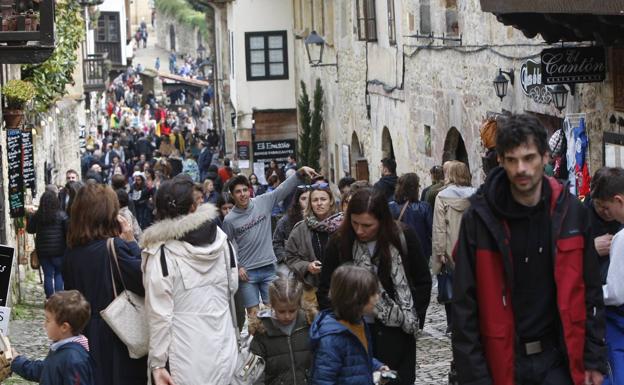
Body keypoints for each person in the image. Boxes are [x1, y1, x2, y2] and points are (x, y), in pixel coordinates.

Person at [452, 113, 606, 385]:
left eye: (529, 158)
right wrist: (474, 375)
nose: (521, 168)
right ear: (500, 160)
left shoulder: (571, 212)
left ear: (545, 157)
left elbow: (590, 290)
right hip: (503, 361)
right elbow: (465, 307)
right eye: (512, 160)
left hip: (558, 358)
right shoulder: (479, 219)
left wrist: (592, 358)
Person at [317, 188, 432, 385]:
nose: (360, 230)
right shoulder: (339, 242)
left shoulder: (403, 236)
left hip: (398, 335)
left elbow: (423, 281)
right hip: (354, 333)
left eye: (367, 225)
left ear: (382, 221)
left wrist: (412, 320)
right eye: (355, 223)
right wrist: (340, 326)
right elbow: (326, 289)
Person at [141, 176, 238, 385]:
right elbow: (233, 285)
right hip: (223, 343)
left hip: (185, 356)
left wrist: (157, 364)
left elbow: (159, 315)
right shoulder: (222, 240)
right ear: (194, 206)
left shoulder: (162, 254)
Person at [63, 183, 147, 385]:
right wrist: (131, 244)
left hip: (84, 337)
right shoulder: (114, 248)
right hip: (118, 336)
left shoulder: (71, 254)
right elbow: (146, 281)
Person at [222, 166, 317, 320]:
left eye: (245, 190)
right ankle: (257, 344)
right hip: (248, 274)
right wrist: (237, 267)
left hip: (268, 268)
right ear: (232, 195)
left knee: (274, 313)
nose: (243, 194)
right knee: (254, 317)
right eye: (238, 192)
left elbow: (282, 189)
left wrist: (300, 173)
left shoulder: (263, 202)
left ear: (250, 190)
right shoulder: (230, 220)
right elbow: (226, 247)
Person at [310, 265, 388, 384]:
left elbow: (358, 358)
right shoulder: (332, 339)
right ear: (357, 299)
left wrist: (377, 366)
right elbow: (323, 380)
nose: (377, 297)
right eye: (373, 293)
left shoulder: (359, 322)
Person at [588, 167, 624, 385]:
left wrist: (588, 291)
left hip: (617, 321)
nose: (607, 213)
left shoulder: (621, 238)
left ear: (618, 200)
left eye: (608, 207)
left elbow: (616, 293)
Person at [11, 291, 95, 385]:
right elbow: (43, 370)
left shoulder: (74, 359)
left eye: (48, 320)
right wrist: (17, 361)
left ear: (64, 327)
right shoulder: (60, 349)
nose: (44, 324)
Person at [432, 161, 475, 333]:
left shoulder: (442, 197)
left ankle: (452, 322)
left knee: (450, 284)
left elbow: (439, 227)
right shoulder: (476, 195)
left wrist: (440, 251)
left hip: (451, 246)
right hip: (471, 246)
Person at [249, 276, 315, 385]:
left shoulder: (309, 324)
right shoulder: (262, 331)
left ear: (299, 305)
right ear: (273, 306)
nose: (287, 316)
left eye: (292, 311)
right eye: (282, 311)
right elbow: (256, 372)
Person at [285, 183, 343, 307]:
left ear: (331, 201)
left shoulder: (342, 225)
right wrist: (307, 266)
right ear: (310, 204)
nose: (319, 203)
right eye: (315, 200)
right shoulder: (300, 229)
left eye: (323, 199)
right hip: (311, 288)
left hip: (340, 286)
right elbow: (290, 257)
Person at [27, 190, 68, 298]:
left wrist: (30, 216)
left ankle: (50, 299)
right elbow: (67, 232)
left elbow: (30, 230)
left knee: (48, 275)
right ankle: (58, 299)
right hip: (59, 250)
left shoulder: (38, 216)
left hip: (43, 251)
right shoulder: (62, 215)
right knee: (59, 274)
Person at [389, 172, 433, 262]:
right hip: (421, 251)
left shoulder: (391, 206)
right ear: (415, 189)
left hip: (399, 250)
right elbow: (432, 231)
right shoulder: (424, 207)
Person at [272, 187, 310, 271]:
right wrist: (285, 258)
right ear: (297, 201)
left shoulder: (318, 217)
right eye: (303, 198)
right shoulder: (286, 220)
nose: (307, 202)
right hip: (289, 262)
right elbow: (277, 242)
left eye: (310, 198)